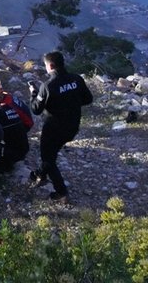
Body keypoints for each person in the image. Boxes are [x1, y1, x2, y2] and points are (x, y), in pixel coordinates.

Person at [29, 51, 93, 202]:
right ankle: (40, 174)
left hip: (54, 129)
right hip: (72, 126)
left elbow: (36, 109)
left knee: (48, 158)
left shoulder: (48, 86)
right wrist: (71, 104)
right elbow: (88, 99)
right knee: (51, 154)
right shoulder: (76, 79)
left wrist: (33, 94)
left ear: (50, 66)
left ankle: (61, 192)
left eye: (45, 66)